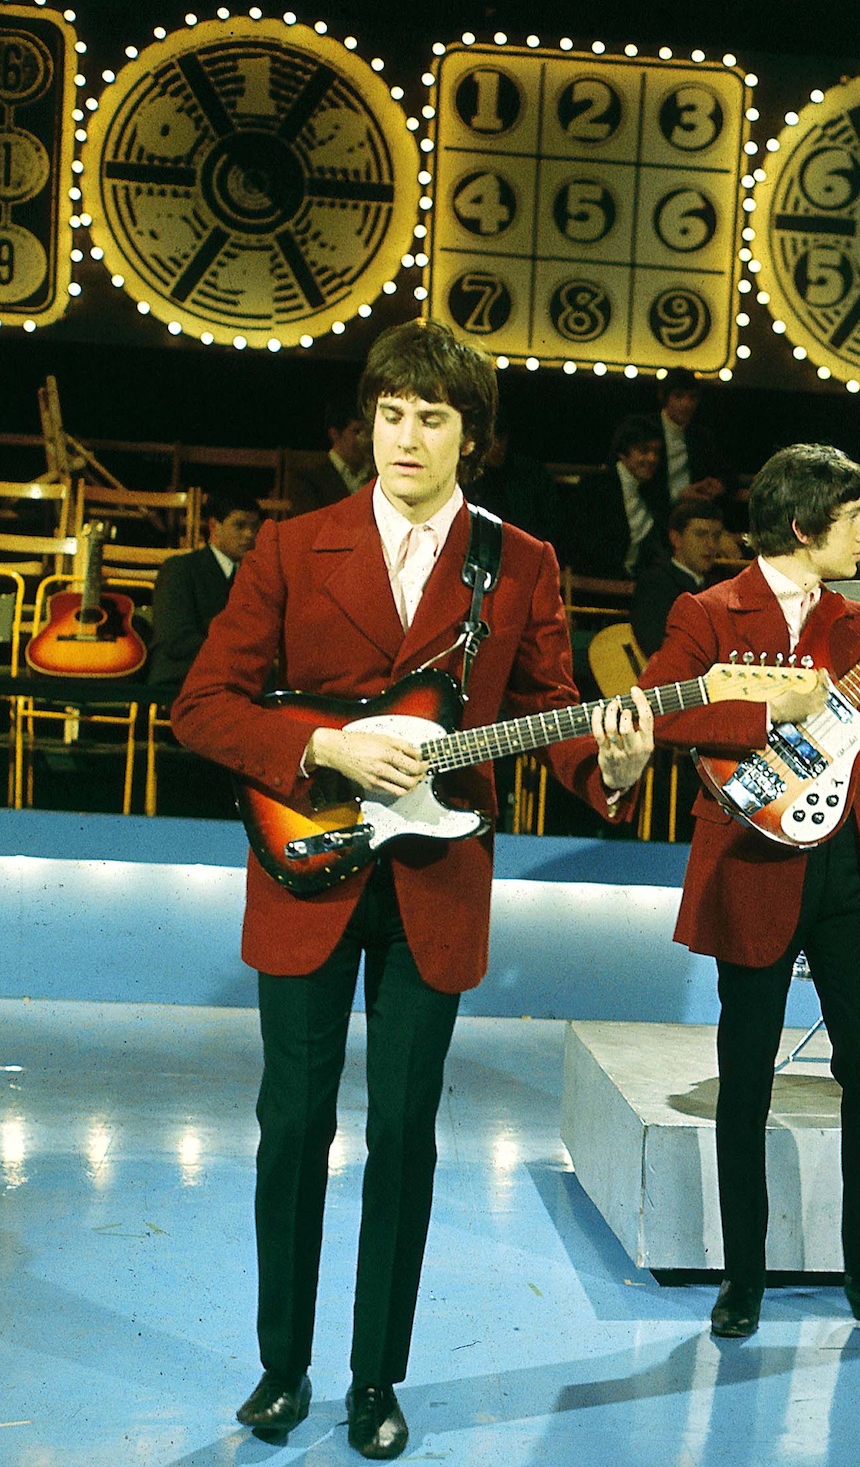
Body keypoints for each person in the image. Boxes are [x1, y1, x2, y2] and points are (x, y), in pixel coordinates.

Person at [172, 320, 654, 1460]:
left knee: (405, 1135)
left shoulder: (521, 562)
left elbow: (549, 713)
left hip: (438, 878)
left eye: (431, 417)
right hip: (306, 867)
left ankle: (374, 1378)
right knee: (290, 1128)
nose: (405, 435)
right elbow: (202, 705)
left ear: (469, 438)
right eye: (390, 413)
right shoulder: (293, 547)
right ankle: (281, 1369)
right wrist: (326, 748)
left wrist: (615, 764)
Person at [637, 443, 860, 1347]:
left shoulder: (859, 620)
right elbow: (660, 708)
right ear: (805, 526)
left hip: (849, 867)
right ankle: (742, 1277)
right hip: (752, 863)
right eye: (856, 517)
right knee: (747, 1079)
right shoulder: (710, 610)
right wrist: (776, 711)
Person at [148, 488, 263, 694]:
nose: (249, 534)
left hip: (232, 681)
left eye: (254, 527)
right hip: (181, 678)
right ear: (214, 526)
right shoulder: (180, 569)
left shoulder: (253, 579)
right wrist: (237, 657)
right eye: (239, 525)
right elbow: (175, 640)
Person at [556, 413, 668, 580]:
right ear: (623, 452)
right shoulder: (595, 487)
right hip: (591, 584)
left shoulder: (652, 495)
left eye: (656, 452)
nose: (652, 458)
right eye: (644, 450)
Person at [631, 497, 724, 656]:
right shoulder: (655, 583)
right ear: (676, 538)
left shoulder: (719, 586)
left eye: (715, 536)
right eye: (701, 534)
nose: (710, 544)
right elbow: (655, 644)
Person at [284, 396, 374, 518]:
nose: (364, 439)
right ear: (335, 434)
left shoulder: (377, 476)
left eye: (368, 432)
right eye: (356, 432)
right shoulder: (308, 477)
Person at [655, 367, 732, 505]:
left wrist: (718, 484)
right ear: (664, 397)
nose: (686, 404)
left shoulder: (700, 436)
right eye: (679, 396)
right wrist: (678, 495)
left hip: (692, 511)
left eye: (692, 397)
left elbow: (726, 472)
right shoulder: (645, 430)